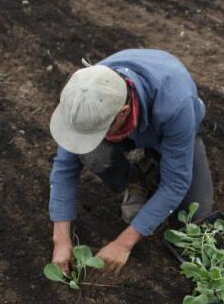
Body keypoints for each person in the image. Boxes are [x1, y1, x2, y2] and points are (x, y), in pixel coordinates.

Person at [48, 49, 213, 274]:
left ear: (124, 113)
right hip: (126, 127)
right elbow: (65, 168)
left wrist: (123, 243)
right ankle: (133, 180)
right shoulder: (85, 95)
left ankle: (157, 155)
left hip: (169, 128)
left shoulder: (175, 104)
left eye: (94, 131)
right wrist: (61, 239)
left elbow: (176, 184)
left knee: (196, 209)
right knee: (91, 153)